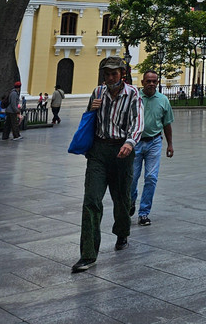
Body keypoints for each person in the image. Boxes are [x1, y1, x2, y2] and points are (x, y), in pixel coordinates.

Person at [71, 57, 144, 274]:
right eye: (107, 73)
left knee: (121, 198)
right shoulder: (98, 93)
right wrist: (91, 108)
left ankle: (122, 232)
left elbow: (137, 121)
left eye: (114, 73)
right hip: (99, 152)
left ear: (122, 73)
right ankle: (88, 254)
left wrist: (130, 143)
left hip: (122, 151)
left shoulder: (132, 94)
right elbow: (88, 121)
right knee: (91, 200)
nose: (110, 77)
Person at [130, 70, 174, 227]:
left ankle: (144, 213)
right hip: (135, 143)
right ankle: (131, 201)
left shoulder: (163, 100)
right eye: (148, 81)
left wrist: (170, 144)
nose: (151, 84)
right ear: (142, 82)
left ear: (157, 83)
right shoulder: (134, 98)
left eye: (154, 81)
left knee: (151, 177)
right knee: (132, 177)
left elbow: (167, 123)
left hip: (154, 142)